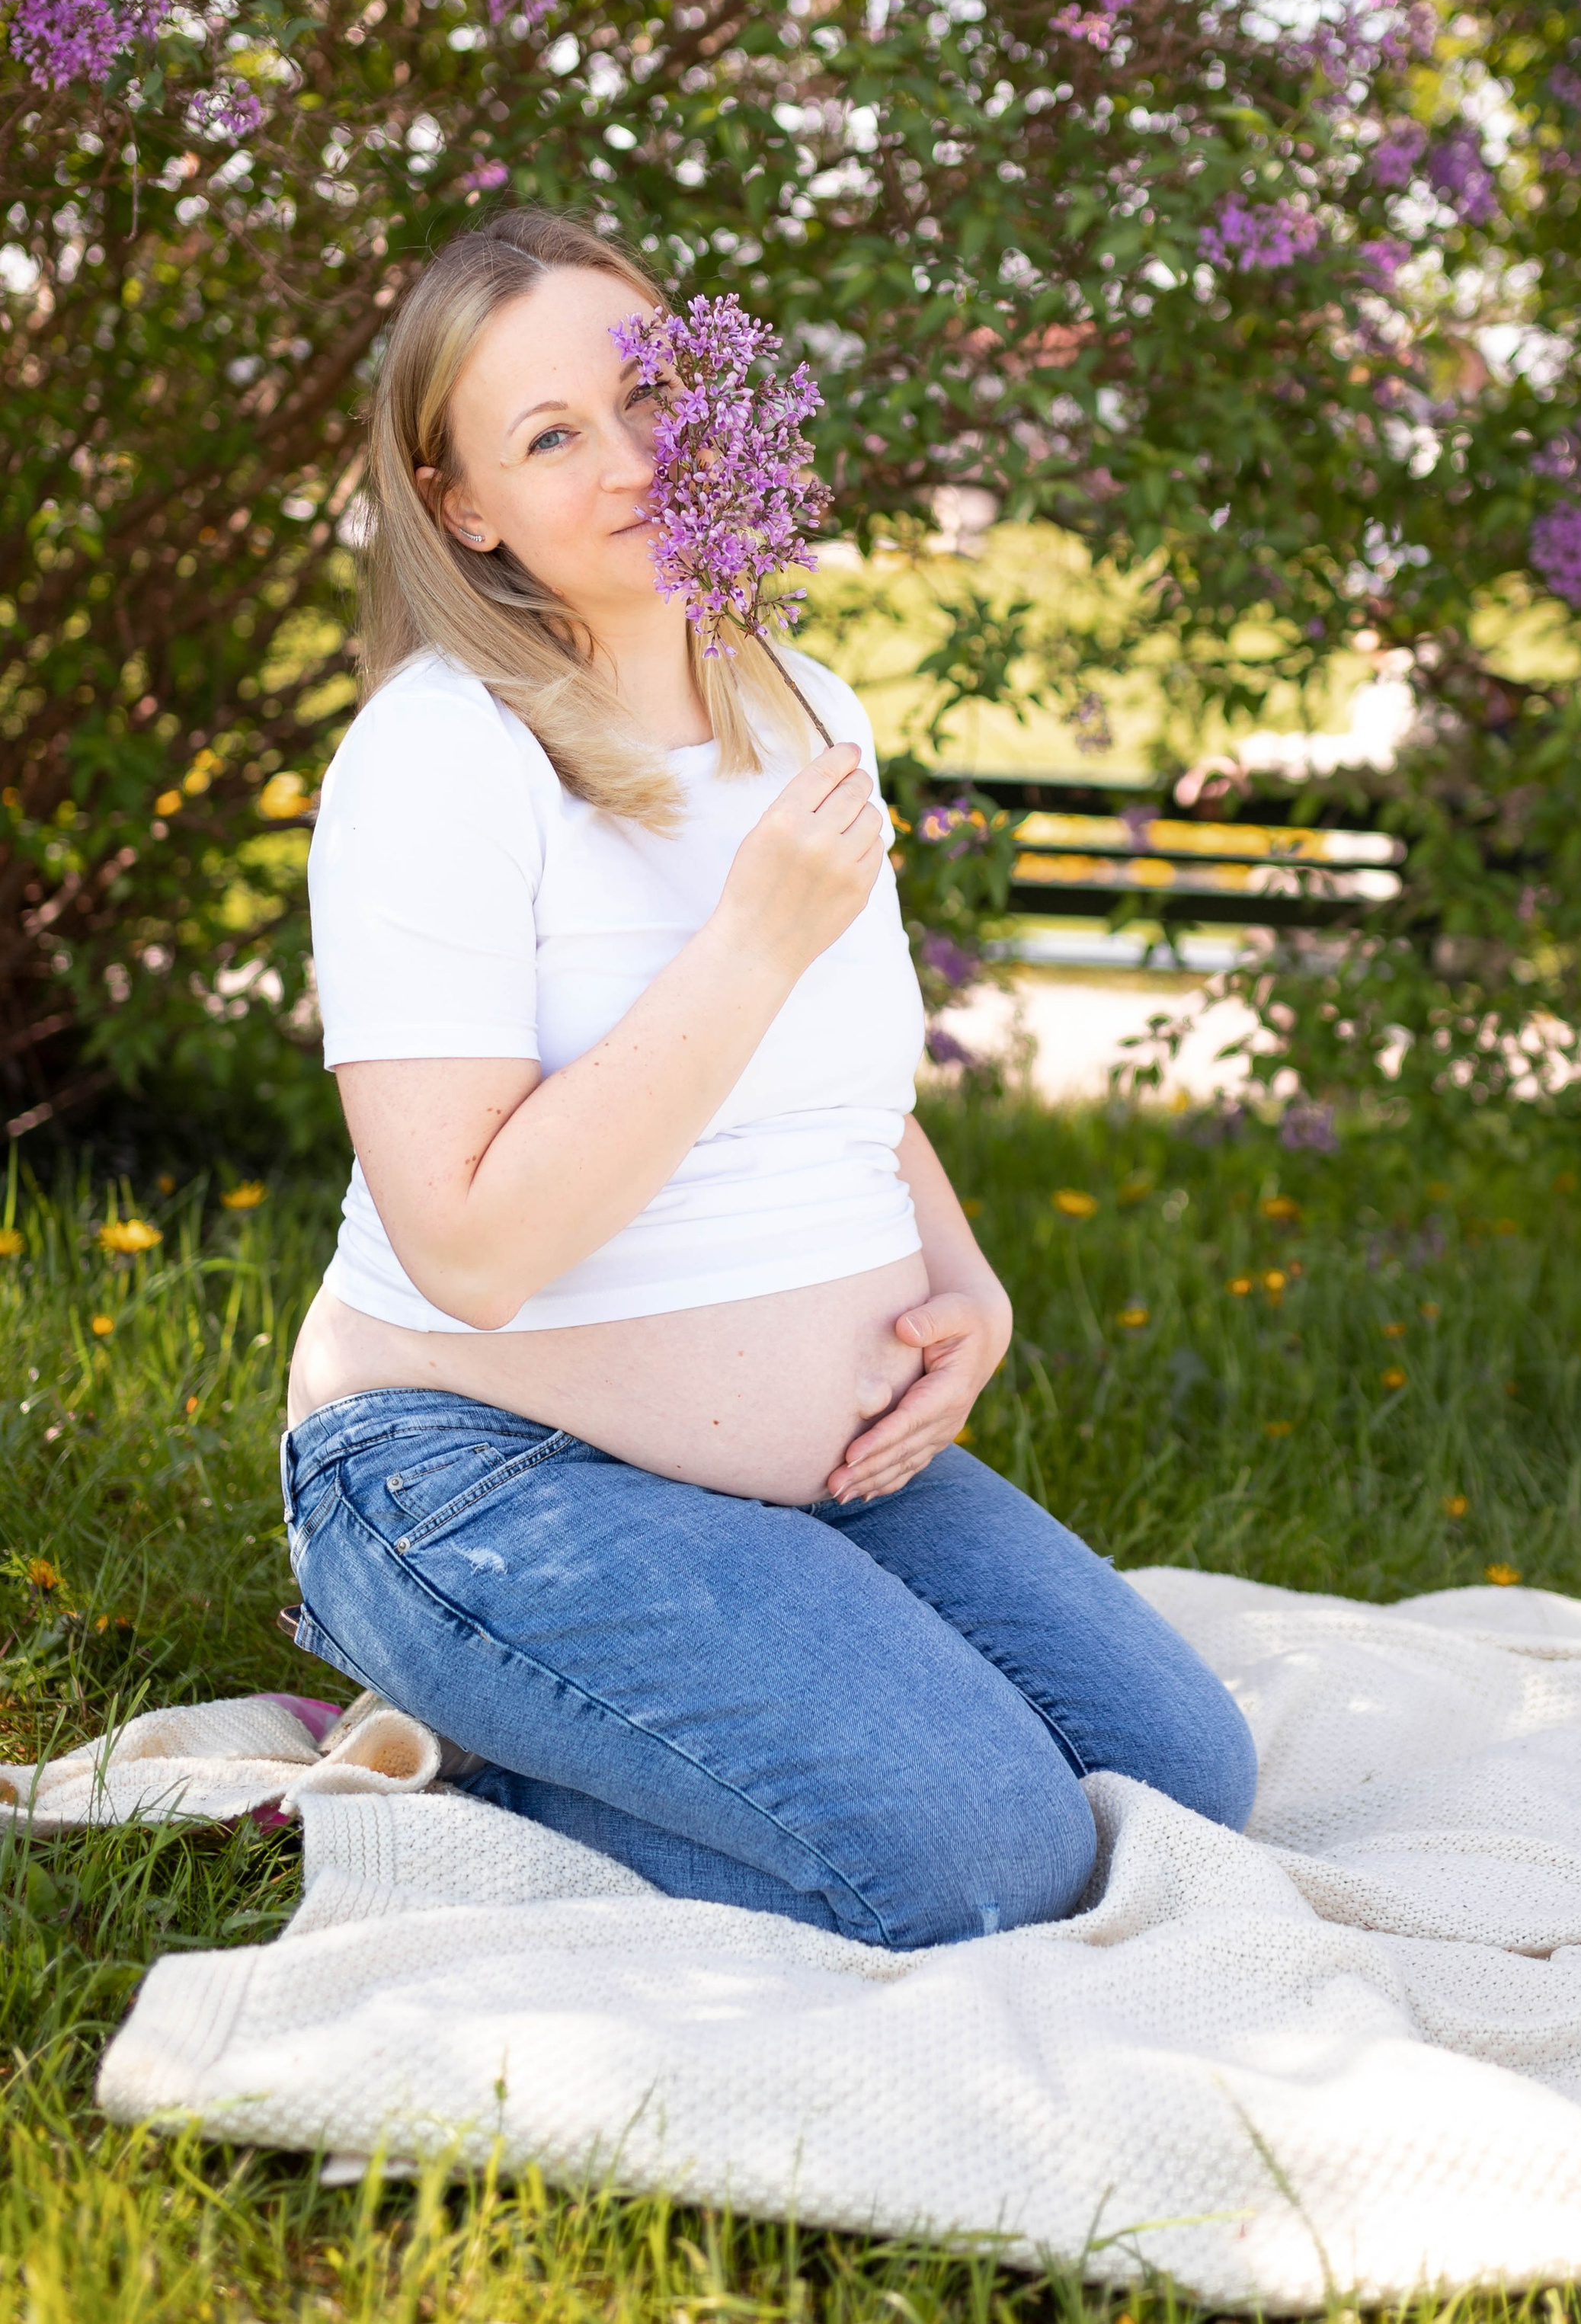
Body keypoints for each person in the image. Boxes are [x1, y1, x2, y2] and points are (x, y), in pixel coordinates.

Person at [280, 209, 1256, 1950]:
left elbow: (845, 1082)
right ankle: (481, 1755)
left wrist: (964, 1286)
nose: (634, 459)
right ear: (463, 506)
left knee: (1180, 1777)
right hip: (475, 1468)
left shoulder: (800, 701)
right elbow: (474, 1249)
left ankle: (678, 1707)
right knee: (981, 1860)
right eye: (549, 435)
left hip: (811, 1470)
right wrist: (740, 940)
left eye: (654, 398)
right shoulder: (438, 758)